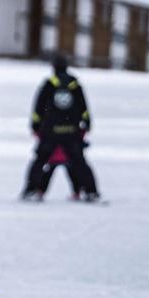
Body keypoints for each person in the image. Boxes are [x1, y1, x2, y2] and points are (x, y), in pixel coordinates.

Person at [22, 54, 100, 201]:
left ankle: (32, 190)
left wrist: (35, 126)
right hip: (71, 131)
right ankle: (90, 191)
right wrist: (87, 123)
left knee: (40, 161)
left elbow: (38, 108)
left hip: (50, 132)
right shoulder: (75, 85)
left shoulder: (48, 85)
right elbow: (83, 108)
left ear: (53, 67)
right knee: (79, 163)